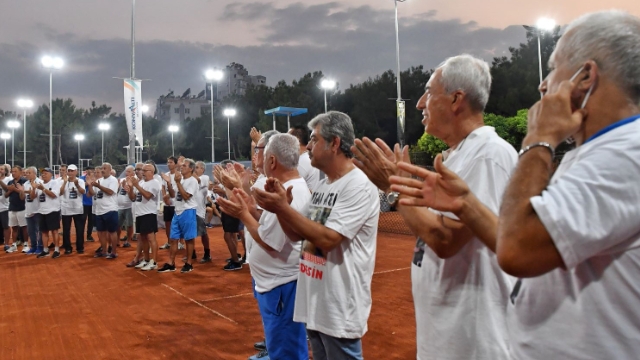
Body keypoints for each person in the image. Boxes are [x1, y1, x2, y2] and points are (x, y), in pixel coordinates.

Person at [393, 11, 640, 359]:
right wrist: (467, 204)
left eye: (554, 68)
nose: (543, 84)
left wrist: (538, 140)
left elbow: (517, 250)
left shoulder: (627, 154)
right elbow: (519, 237)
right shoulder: (602, 152)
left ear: (585, 77)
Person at [352, 55, 517, 359]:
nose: (419, 103)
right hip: (449, 334)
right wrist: (399, 184)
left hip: (475, 340)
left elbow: (447, 239)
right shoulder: (458, 155)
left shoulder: (488, 153)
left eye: (429, 91)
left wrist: (393, 188)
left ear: (456, 99)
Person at [253, 111, 379, 360]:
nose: (307, 146)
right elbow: (297, 234)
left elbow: (329, 239)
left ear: (335, 143)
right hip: (316, 299)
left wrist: (281, 208)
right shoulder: (323, 185)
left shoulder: (357, 185)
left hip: (339, 303)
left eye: (314, 139)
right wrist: (282, 209)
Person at [218, 133, 310, 359]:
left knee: (287, 352)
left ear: (272, 161)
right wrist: (250, 208)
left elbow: (270, 243)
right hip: (278, 284)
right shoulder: (287, 187)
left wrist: (242, 214)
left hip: (282, 286)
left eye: (262, 153)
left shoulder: (290, 191)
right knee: (282, 348)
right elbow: (271, 228)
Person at [158, 158, 199, 273]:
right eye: (182, 166)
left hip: (188, 211)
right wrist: (169, 183)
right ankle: (171, 263)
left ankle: (189, 263)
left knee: (189, 239)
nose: (182, 167)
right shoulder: (180, 179)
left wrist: (177, 182)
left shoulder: (192, 181)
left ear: (191, 169)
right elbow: (172, 194)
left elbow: (186, 196)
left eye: (185, 166)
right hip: (177, 211)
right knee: (173, 238)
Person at [127, 163, 161, 271]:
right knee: (143, 238)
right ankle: (146, 260)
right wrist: (131, 188)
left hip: (149, 213)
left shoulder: (154, 183)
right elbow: (133, 198)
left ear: (151, 172)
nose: (142, 172)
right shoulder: (141, 182)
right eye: (142, 170)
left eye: (145, 170)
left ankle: (154, 261)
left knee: (151, 238)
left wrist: (136, 186)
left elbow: (148, 195)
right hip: (139, 213)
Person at [87, 163, 119, 259]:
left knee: (112, 231)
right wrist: (90, 185)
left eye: (105, 168)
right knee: (100, 232)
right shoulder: (99, 180)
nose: (102, 170)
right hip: (99, 210)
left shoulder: (113, 180)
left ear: (110, 170)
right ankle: (104, 251)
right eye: (102, 168)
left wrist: (98, 186)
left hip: (110, 209)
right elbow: (91, 194)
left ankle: (113, 252)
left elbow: (110, 192)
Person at [34, 168, 61, 259]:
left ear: (51, 174)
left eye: (46, 173)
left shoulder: (55, 183)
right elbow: (34, 197)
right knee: (44, 231)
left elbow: (54, 195)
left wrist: (43, 189)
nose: (43, 174)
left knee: (54, 231)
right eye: (42, 173)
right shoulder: (39, 185)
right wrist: (34, 188)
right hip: (42, 211)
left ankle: (56, 250)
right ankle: (45, 250)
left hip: (52, 210)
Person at [59, 164, 86, 255]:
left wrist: (77, 185)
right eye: (69, 171)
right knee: (66, 230)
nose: (70, 172)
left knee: (80, 229)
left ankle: (80, 247)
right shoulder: (63, 181)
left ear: (76, 171)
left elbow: (83, 192)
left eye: (72, 171)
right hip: (66, 208)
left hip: (78, 208)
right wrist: (64, 182)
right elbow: (60, 193)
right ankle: (68, 247)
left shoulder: (80, 181)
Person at [288, 125, 320, 191]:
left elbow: (288, 185)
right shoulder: (306, 158)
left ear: (296, 140)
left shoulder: (303, 161)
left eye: (286, 139)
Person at [5, 166, 28, 253]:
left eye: (15, 171)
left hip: (22, 207)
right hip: (12, 207)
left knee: (24, 227)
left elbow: (25, 194)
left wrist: (14, 189)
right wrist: (10, 191)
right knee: (14, 227)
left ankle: (25, 244)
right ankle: (14, 244)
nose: (13, 173)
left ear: (21, 172)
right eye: (12, 171)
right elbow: (6, 195)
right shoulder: (10, 182)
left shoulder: (24, 181)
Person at [193, 161, 212, 263]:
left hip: (199, 211)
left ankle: (207, 254)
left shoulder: (205, 178)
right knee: (189, 233)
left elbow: (197, 180)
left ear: (202, 170)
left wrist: (190, 170)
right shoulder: (190, 179)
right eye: (194, 167)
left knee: (203, 233)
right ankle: (192, 253)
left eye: (196, 167)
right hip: (189, 210)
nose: (195, 169)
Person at [159, 156, 179, 250]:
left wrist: (168, 196)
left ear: (175, 164)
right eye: (168, 162)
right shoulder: (166, 175)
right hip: (167, 204)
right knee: (168, 224)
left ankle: (180, 242)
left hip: (176, 204)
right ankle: (169, 242)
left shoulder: (179, 175)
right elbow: (163, 187)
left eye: (171, 162)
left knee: (178, 224)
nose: (168, 164)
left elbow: (176, 191)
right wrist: (164, 197)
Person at [23, 167, 43, 255]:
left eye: (29, 173)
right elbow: (23, 197)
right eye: (26, 173)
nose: (26, 174)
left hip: (38, 210)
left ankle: (40, 247)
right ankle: (33, 246)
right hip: (28, 209)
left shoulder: (39, 182)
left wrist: (31, 190)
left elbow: (33, 196)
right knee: (31, 231)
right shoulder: (25, 183)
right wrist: (20, 191)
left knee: (40, 230)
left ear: (34, 173)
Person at [117, 166, 134, 248]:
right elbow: (117, 191)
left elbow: (133, 194)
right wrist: (119, 185)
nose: (127, 173)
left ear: (133, 172)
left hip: (129, 206)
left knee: (129, 224)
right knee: (117, 224)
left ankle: (128, 240)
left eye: (129, 171)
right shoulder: (122, 180)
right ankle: (117, 240)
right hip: (119, 206)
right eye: (126, 171)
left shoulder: (135, 180)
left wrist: (129, 187)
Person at [81, 166, 96, 242]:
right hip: (83, 202)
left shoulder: (96, 178)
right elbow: (80, 187)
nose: (91, 172)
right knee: (82, 220)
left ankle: (89, 235)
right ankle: (81, 235)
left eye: (93, 171)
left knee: (91, 220)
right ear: (86, 171)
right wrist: (87, 182)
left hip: (93, 203)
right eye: (89, 171)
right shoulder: (81, 178)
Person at [0, 164, 12, 252]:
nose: (0, 171)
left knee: (6, 226)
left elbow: (7, 189)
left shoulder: (8, 179)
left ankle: (7, 243)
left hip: (4, 207)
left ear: (5, 171)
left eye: (1, 169)